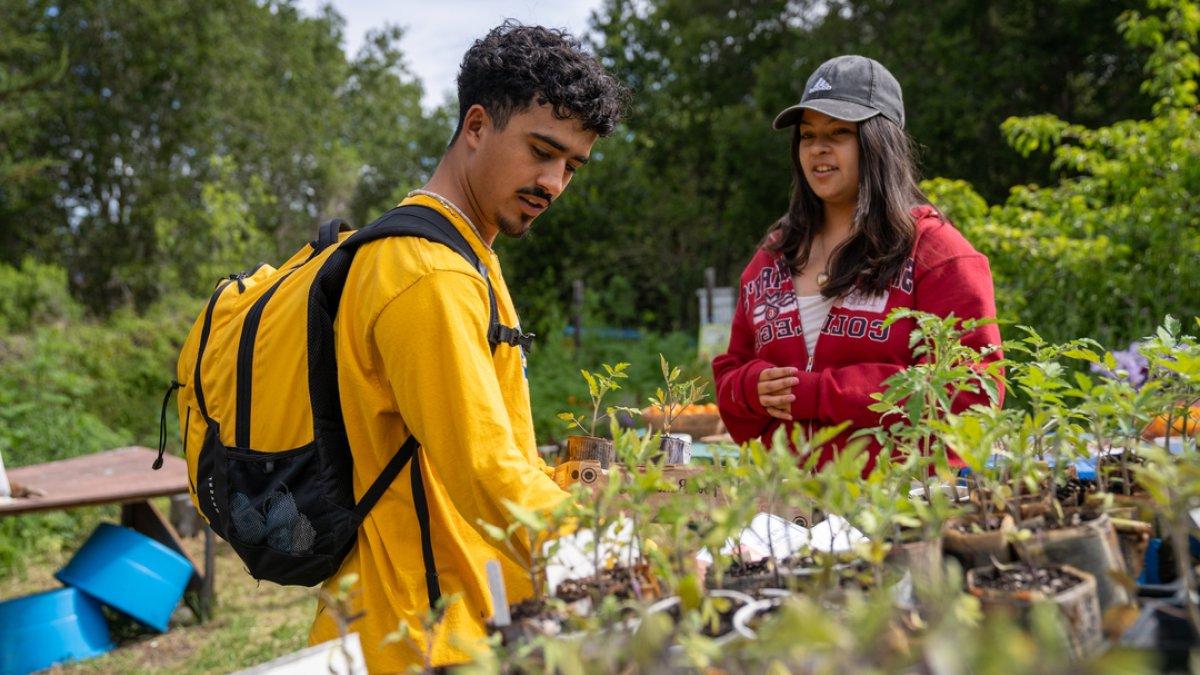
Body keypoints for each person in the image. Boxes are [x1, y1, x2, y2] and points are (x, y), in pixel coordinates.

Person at [308, 22, 627, 670]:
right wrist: (624, 547)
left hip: (443, 612)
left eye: (572, 165)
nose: (555, 182)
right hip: (416, 633)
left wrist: (596, 475)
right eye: (542, 150)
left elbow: (499, 447)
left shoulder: (465, 255)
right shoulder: (429, 274)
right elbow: (487, 475)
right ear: (476, 126)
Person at [713, 55, 1003, 475]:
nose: (818, 148)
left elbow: (972, 392)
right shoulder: (772, 259)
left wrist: (819, 394)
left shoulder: (937, 253)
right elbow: (731, 376)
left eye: (839, 133)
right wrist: (750, 389)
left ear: (879, 141)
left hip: (897, 509)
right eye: (808, 134)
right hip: (782, 512)